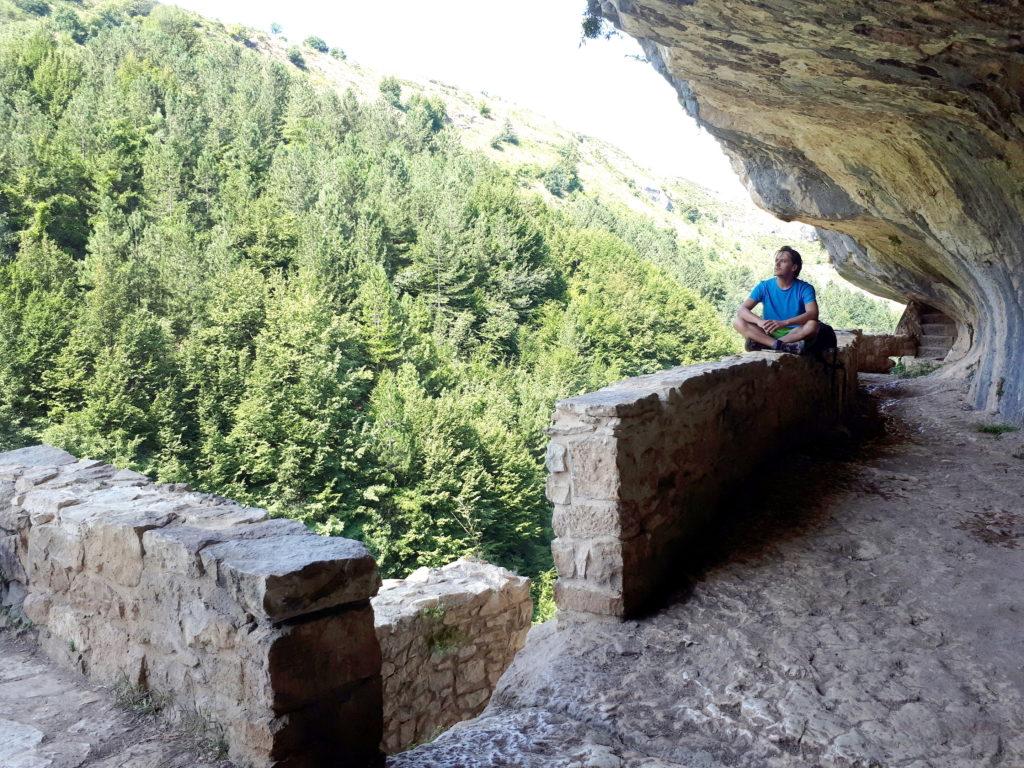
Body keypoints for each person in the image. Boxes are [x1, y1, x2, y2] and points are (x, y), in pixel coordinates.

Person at [733, 245, 819, 354]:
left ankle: (766, 345)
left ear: (794, 267)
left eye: (783, 261)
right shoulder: (764, 286)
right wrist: (759, 321)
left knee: (813, 325)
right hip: (768, 331)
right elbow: (742, 310)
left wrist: (784, 323)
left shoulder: (805, 288)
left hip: (794, 332)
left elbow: (813, 313)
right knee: (738, 321)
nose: (777, 264)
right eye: (776, 261)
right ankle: (780, 345)